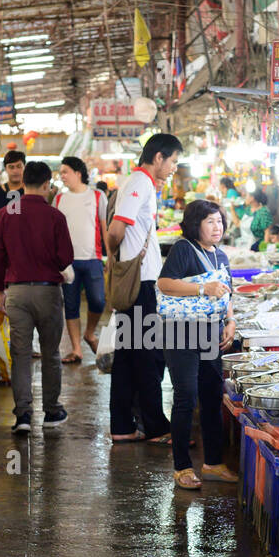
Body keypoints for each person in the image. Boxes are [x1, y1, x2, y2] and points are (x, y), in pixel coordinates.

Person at [105, 132, 183, 444]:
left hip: (136, 281)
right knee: (147, 356)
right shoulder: (140, 183)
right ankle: (156, 427)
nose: (174, 168)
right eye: (173, 161)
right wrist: (116, 255)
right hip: (140, 283)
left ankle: (123, 426)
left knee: (128, 356)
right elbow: (116, 229)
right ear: (158, 157)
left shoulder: (137, 182)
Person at [156, 199, 238, 489]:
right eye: (210, 222)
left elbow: (226, 292)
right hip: (180, 333)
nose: (217, 227)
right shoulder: (183, 249)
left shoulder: (221, 256)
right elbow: (164, 283)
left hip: (210, 333)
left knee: (212, 396)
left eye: (219, 221)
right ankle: (182, 468)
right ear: (195, 225)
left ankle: (213, 463)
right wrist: (202, 288)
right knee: (186, 397)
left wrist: (230, 321)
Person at [0, 160, 74, 435]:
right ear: (48, 185)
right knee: (50, 354)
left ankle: (23, 416)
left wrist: (0, 289)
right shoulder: (55, 216)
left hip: (17, 293)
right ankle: (51, 411)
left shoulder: (5, 213)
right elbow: (66, 258)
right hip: (48, 292)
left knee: (21, 355)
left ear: (23, 183)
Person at [55, 156, 108, 363]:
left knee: (98, 300)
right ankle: (77, 349)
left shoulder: (97, 196)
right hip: (67, 261)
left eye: (65, 172)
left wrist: (110, 255)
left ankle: (90, 333)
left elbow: (104, 227)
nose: (62, 176)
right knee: (71, 304)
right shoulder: (59, 198)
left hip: (93, 257)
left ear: (78, 173)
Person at [0, 150, 26, 249]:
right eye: (11, 167)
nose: (15, 171)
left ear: (24, 167)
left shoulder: (31, 193)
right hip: (2, 249)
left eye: (19, 166)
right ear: (5, 169)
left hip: (27, 250)